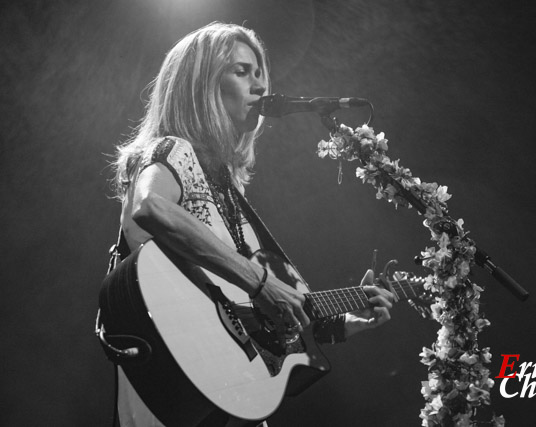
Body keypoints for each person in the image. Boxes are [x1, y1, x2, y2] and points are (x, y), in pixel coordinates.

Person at [110, 22, 396, 427]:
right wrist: (260, 282)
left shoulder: (225, 184)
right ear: (200, 84)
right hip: (176, 382)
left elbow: (241, 313)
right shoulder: (175, 151)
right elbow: (150, 207)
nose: (260, 86)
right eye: (241, 71)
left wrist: (349, 322)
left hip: (224, 388)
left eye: (260, 73)